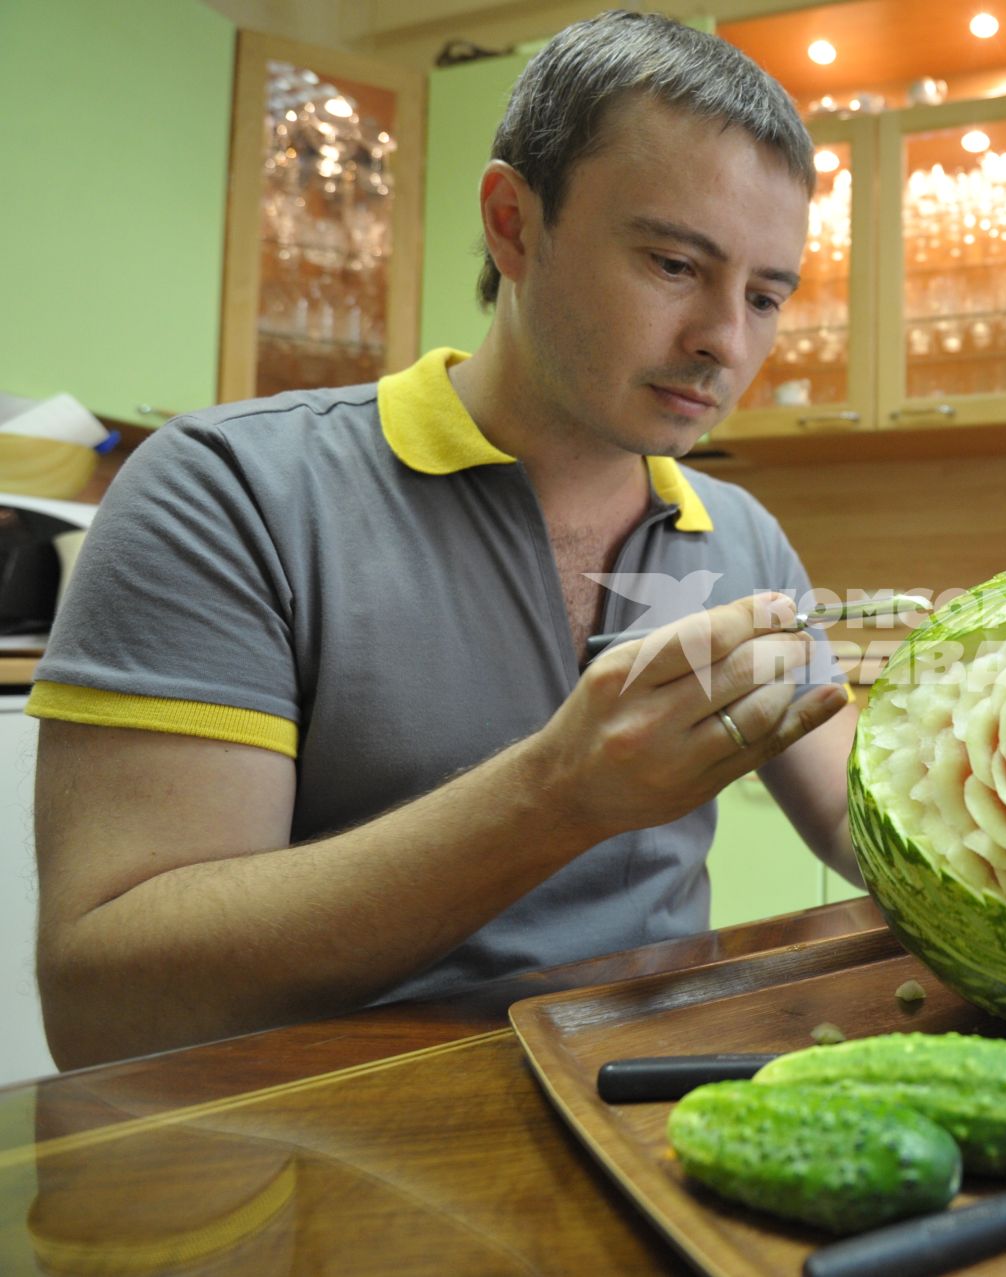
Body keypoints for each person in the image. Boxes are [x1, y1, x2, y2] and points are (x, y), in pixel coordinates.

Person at [28, 12, 859, 1068]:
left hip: (668, 1125)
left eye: (766, 295)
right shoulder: (229, 493)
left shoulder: (739, 533)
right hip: (329, 1159)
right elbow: (108, 1003)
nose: (724, 341)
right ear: (515, 224)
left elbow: (867, 826)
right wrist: (556, 796)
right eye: (671, 263)